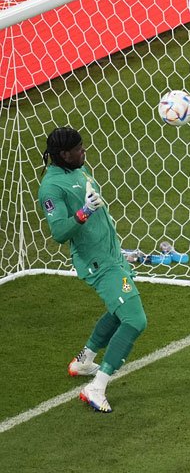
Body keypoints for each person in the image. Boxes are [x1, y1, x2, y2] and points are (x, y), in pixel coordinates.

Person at [37, 127, 149, 413]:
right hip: (99, 263)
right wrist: (83, 212)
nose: (83, 151)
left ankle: (84, 360)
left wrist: (118, 248)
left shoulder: (80, 171)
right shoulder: (51, 187)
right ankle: (96, 388)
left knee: (117, 311)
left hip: (111, 255)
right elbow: (60, 232)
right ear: (64, 154)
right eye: (78, 149)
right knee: (135, 320)